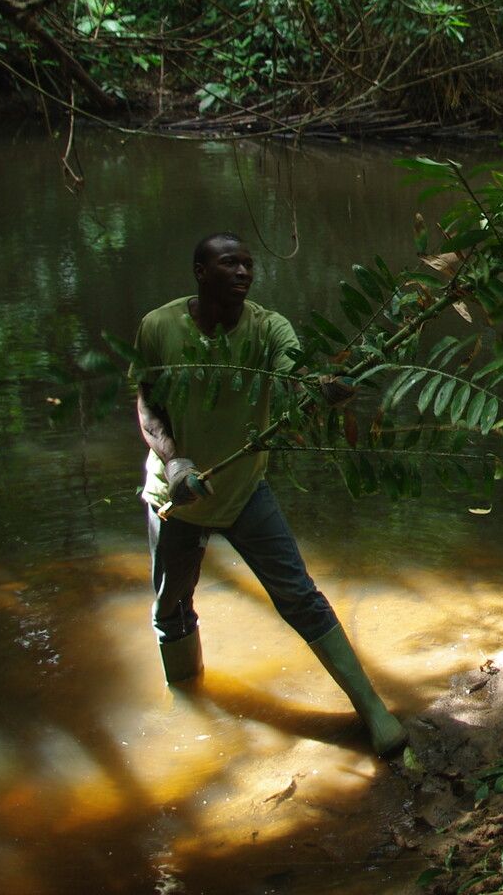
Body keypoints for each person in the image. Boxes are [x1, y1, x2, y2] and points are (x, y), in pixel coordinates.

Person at [132, 231, 405, 756]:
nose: (242, 272)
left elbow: (293, 373)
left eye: (248, 265)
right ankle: (189, 715)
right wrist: (175, 461)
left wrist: (320, 387)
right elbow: (148, 405)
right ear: (200, 271)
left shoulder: (266, 327)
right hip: (177, 496)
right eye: (229, 263)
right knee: (172, 611)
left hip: (243, 492)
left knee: (299, 596)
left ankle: (372, 710)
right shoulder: (159, 327)